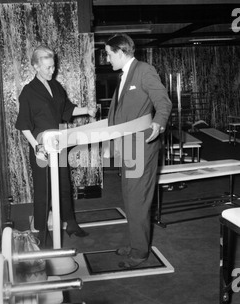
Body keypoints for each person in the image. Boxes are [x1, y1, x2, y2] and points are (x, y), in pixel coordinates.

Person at [15, 45, 96, 247]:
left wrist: (88, 109)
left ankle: (71, 223)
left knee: (64, 185)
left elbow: (67, 109)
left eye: (53, 67)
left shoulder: (56, 87)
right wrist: (37, 147)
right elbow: (24, 125)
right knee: (43, 190)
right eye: (47, 67)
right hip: (41, 147)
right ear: (35, 66)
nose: (52, 71)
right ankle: (42, 233)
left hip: (58, 144)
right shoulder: (28, 92)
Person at [105, 34, 172, 268]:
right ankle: (135, 242)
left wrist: (159, 122)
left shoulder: (144, 70)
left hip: (142, 146)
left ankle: (140, 251)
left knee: (138, 200)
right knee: (130, 198)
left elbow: (163, 102)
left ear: (121, 52)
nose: (106, 59)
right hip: (128, 147)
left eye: (108, 54)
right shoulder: (124, 76)